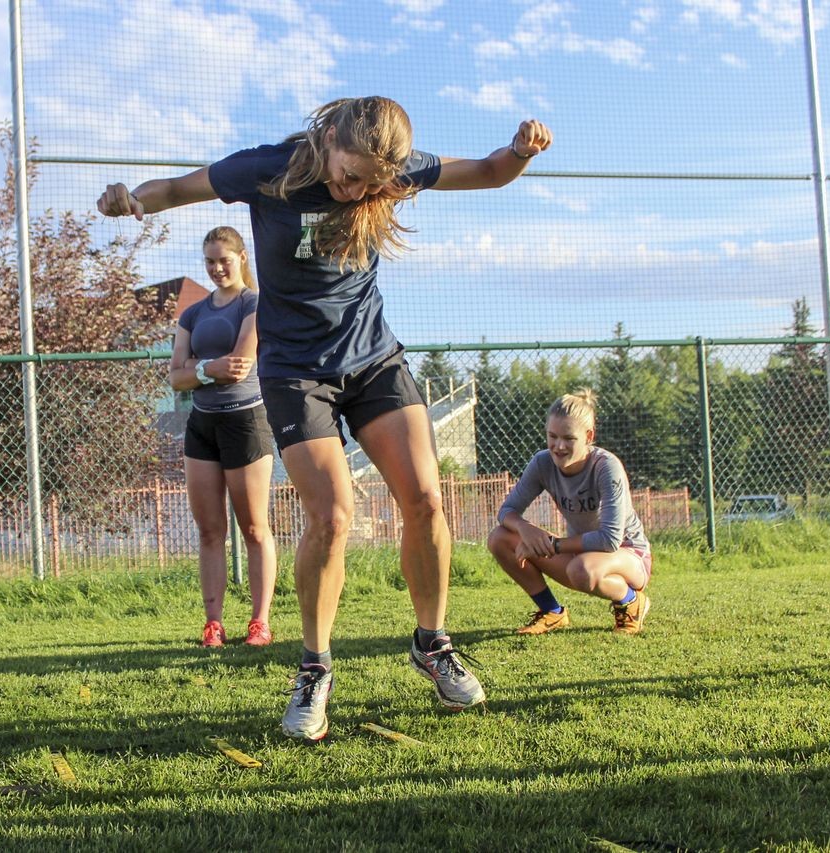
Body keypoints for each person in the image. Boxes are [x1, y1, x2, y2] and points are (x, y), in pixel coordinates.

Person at [99, 96, 552, 741]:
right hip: (293, 371)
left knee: (425, 498)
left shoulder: (388, 172)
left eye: (371, 182)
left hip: (372, 360)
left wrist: (519, 154)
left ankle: (432, 642)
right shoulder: (268, 168)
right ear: (331, 136)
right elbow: (178, 185)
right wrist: (136, 201)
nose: (356, 188)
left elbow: (483, 170)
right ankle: (314, 669)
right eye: (349, 173)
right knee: (332, 516)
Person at [169, 226, 278, 649]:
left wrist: (199, 367)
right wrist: (202, 371)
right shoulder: (192, 314)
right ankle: (213, 624)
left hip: (245, 422)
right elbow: (175, 378)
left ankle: (260, 622)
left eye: (224, 261)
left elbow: (241, 365)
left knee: (253, 528)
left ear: (242, 258)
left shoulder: (254, 303)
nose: (216, 269)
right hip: (202, 426)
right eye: (210, 262)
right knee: (210, 532)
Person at [487, 389, 651, 637]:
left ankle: (631, 601)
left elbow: (609, 540)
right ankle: (552, 612)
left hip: (627, 555)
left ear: (589, 436)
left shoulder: (607, 467)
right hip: (580, 555)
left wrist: (551, 544)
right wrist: (526, 530)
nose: (558, 446)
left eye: (568, 438)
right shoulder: (542, 463)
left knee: (582, 570)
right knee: (499, 537)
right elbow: (507, 511)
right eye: (552, 436)